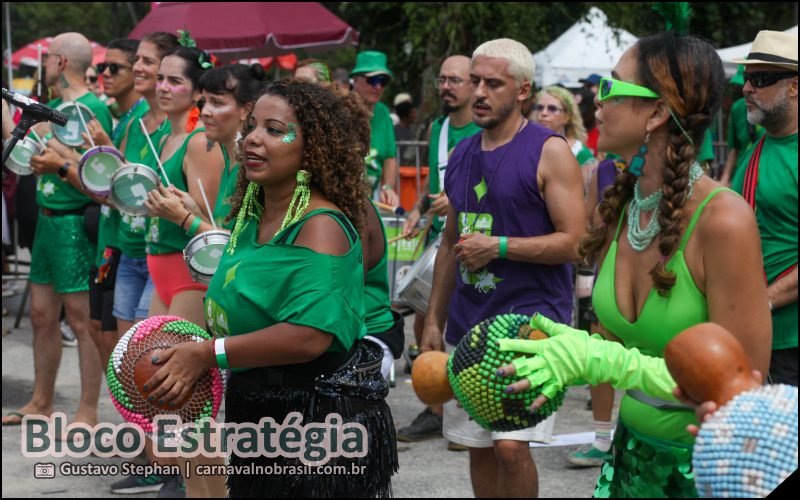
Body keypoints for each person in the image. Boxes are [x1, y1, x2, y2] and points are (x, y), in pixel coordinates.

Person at [497, 30, 771, 498]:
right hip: (628, 458)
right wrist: (562, 350)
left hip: (698, 471)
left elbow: (743, 392)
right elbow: (619, 343)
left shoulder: (724, 220)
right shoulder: (627, 204)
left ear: (658, 112)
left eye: (610, 87)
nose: (596, 102)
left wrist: (601, 358)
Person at [143, 79, 399, 497]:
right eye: (252, 127)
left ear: (312, 147)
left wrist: (207, 354)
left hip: (315, 420)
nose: (253, 140)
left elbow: (309, 336)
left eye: (275, 130)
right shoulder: (252, 210)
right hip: (259, 408)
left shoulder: (321, 225)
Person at [422, 38, 586, 497]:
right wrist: (434, 318)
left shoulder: (549, 150)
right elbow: (451, 241)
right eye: (475, 81)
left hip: (530, 325)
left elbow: (575, 242)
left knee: (511, 447)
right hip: (468, 324)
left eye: (493, 83)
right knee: (476, 446)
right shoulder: (461, 155)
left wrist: (500, 246)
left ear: (522, 91)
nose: (479, 92)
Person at [2, 33, 113, 429]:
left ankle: (87, 411)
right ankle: (40, 401)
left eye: (47, 60)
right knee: (40, 314)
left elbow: (98, 173)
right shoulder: (55, 105)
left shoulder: (90, 108)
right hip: (47, 220)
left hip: (73, 223)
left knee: (82, 321)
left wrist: (56, 155)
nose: (42, 67)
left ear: (62, 62)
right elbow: (30, 151)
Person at [397, 55, 481, 445]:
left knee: (463, 324)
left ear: (473, 83)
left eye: (455, 80)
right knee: (424, 317)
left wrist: (459, 200)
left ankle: (465, 409)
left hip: (475, 239)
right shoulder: (439, 127)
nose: (447, 86)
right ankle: (435, 407)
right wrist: (417, 209)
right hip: (440, 237)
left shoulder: (484, 128)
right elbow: (434, 177)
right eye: (442, 80)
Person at [731, 30, 798, 387]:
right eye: (746, 78)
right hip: (757, 335)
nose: (746, 89)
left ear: (794, 86)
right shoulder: (756, 148)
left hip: (791, 341)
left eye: (760, 79)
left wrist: (763, 302)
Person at [143, 45, 222, 328]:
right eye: (161, 78)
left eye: (175, 81)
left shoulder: (200, 142)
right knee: (146, 362)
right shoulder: (165, 137)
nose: (163, 87)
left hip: (188, 272)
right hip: (158, 265)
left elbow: (214, 224)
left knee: (171, 367)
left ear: (198, 91)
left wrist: (181, 211)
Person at [80, 38, 143, 372]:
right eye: (102, 67)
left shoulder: (142, 118)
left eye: (114, 67)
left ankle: (136, 420)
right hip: (110, 241)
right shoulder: (125, 117)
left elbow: (136, 186)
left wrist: (106, 149)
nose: (104, 73)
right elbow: (105, 192)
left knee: (119, 345)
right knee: (103, 335)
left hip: (126, 244)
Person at [350, 50, 399, 207]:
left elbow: (389, 157)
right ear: (356, 80)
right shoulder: (339, 109)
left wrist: (388, 187)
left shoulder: (383, 112)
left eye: (383, 81)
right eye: (372, 80)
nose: (378, 86)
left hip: (368, 198)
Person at [533, 85, 598, 194]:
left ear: (567, 117)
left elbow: (587, 197)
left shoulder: (579, 152)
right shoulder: (524, 145)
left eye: (552, 109)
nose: (543, 113)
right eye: (539, 108)